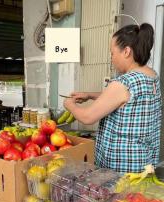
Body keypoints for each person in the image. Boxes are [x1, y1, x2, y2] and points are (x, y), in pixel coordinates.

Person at [64, 23, 162, 173]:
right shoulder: (152, 75)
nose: (112, 58)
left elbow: (87, 117)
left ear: (126, 51)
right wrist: (89, 95)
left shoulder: (124, 82)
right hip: (142, 161)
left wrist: (68, 104)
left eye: (112, 53)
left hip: (120, 167)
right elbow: (124, 100)